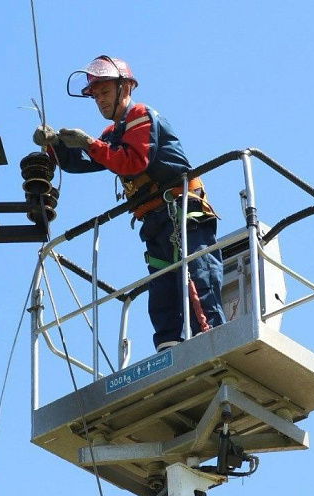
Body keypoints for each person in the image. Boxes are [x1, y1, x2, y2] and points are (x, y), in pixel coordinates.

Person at [33, 55, 224, 352]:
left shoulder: (140, 116)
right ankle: (168, 349)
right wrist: (55, 146)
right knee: (162, 288)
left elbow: (133, 162)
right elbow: (85, 160)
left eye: (105, 93)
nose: (99, 101)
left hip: (182, 213)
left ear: (126, 88)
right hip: (155, 222)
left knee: (196, 278)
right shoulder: (113, 133)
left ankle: (212, 340)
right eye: (95, 96)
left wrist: (89, 144)